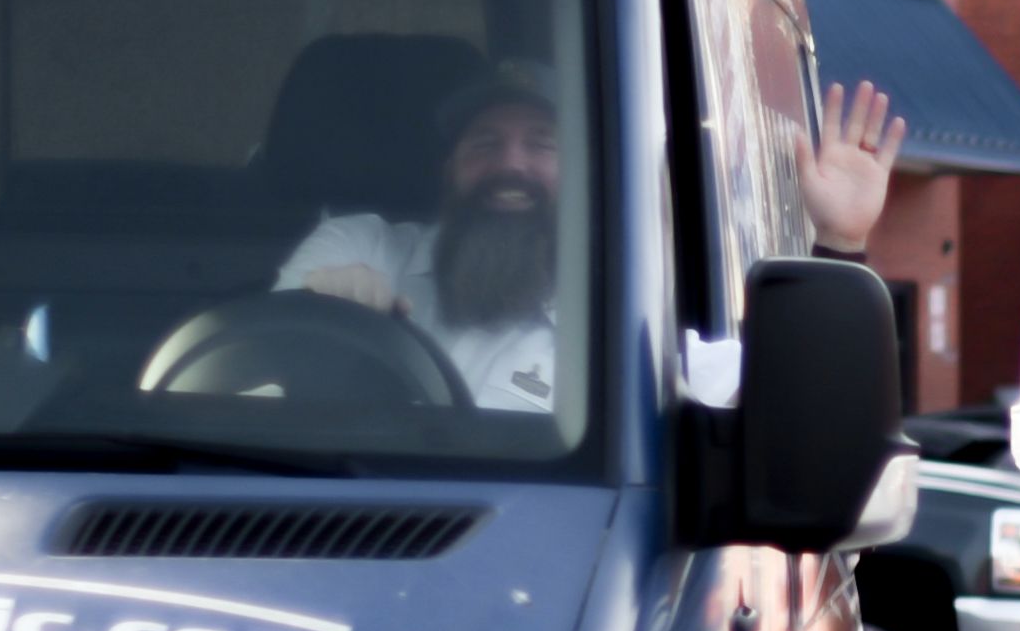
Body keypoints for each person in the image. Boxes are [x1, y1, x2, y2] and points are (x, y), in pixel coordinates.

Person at [281, 65, 903, 413]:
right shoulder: (364, 246)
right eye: (485, 143)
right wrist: (320, 315)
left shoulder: (629, 323)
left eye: (541, 144)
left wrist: (839, 240)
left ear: (582, 174)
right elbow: (257, 360)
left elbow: (797, 415)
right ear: (450, 169)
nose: (511, 164)